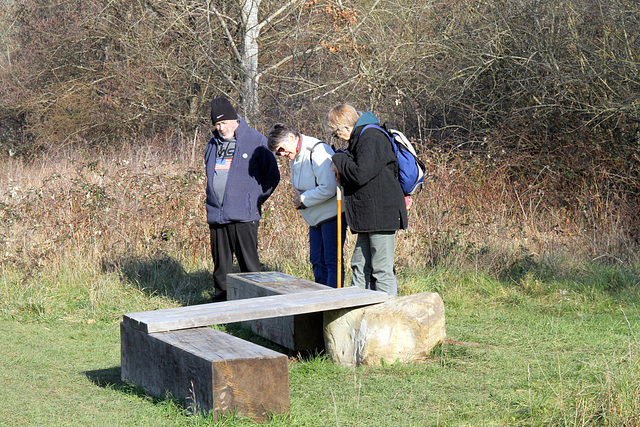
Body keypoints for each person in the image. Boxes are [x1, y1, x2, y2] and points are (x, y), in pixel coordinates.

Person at [324, 103, 407, 295]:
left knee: (381, 269)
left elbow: (361, 173)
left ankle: (388, 316)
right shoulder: (361, 138)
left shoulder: (372, 137)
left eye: (337, 134)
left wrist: (339, 159)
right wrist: (342, 158)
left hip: (382, 214)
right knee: (359, 265)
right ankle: (356, 312)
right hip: (370, 215)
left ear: (346, 127)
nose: (339, 139)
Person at [205, 97, 280, 301]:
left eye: (223, 123)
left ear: (233, 120)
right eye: (217, 124)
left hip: (245, 215)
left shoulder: (256, 140)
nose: (220, 128)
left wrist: (253, 200)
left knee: (250, 265)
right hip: (217, 214)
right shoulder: (212, 144)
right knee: (221, 266)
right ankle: (223, 300)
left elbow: (272, 177)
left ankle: (258, 302)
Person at [267, 123, 347, 288]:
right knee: (317, 262)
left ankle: (333, 304)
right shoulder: (295, 154)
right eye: (277, 153)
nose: (281, 154)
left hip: (332, 215)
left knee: (332, 262)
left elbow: (329, 188)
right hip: (314, 218)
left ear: (291, 137)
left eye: (281, 149)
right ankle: (320, 302)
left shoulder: (317, 151)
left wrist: (303, 199)